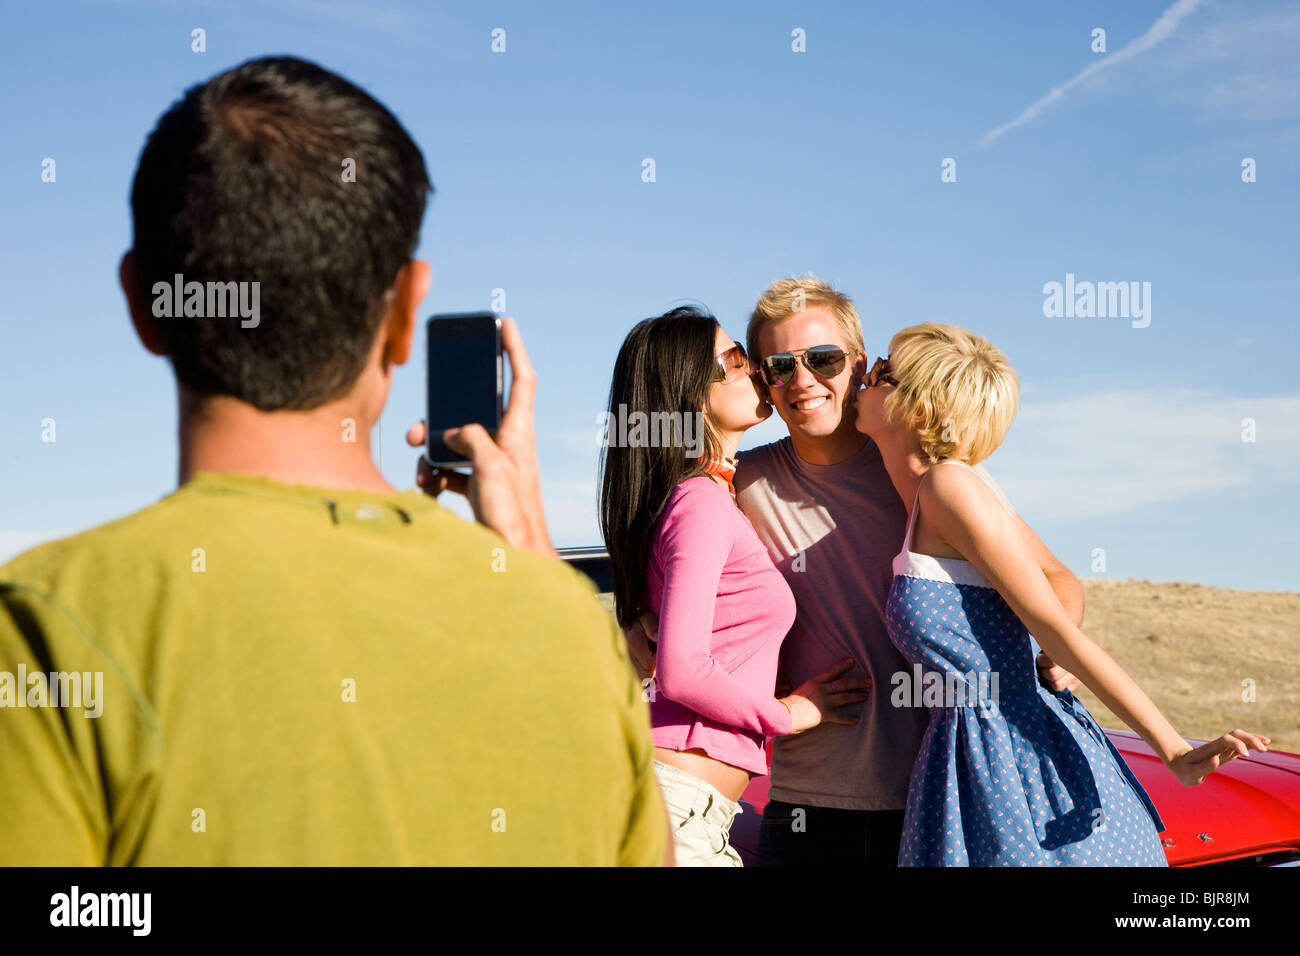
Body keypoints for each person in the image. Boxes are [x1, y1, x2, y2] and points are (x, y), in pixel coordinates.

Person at [0, 55, 669, 866]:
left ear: (144, 303)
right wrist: (530, 558)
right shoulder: (570, 634)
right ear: (402, 315)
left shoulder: (43, 624)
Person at [624, 276, 1086, 866]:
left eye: (823, 359)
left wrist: (1061, 648)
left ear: (859, 363)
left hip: (938, 790)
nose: (803, 380)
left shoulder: (922, 474)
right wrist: (643, 623)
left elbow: (1054, 577)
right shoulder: (738, 483)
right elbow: (684, 580)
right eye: (777, 365)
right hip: (803, 802)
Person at [853, 322, 1270, 865]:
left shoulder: (951, 486)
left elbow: (1053, 621)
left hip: (1014, 753)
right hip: (972, 749)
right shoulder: (946, 491)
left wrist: (1172, 749)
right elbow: (1059, 578)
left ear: (921, 412)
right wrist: (1053, 650)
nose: (868, 376)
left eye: (884, 372)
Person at [597, 306, 868, 866]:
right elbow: (683, 668)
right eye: (736, 360)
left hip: (691, 809)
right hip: (675, 806)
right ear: (691, 393)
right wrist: (788, 714)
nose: (754, 373)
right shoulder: (699, 502)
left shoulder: (705, 496)